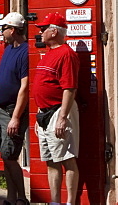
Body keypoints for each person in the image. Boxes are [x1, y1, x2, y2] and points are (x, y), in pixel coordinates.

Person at [34, 11, 79, 205]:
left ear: (54, 31)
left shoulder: (66, 54)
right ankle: (55, 202)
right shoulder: (49, 54)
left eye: (44, 29)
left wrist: (62, 117)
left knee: (67, 159)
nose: (41, 32)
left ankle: (69, 202)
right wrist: (38, 115)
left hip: (59, 111)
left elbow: (69, 88)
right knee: (51, 160)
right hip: (45, 114)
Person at [0, 12, 29, 205]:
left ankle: (22, 198)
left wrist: (16, 117)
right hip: (0, 108)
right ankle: (11, 197)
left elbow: (25, 86)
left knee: (10, 154)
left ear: (12, 30)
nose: (1, 31)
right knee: (5, 155)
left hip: (11, 111)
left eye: (3, 28)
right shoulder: (8, 49)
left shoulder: (25, 52)